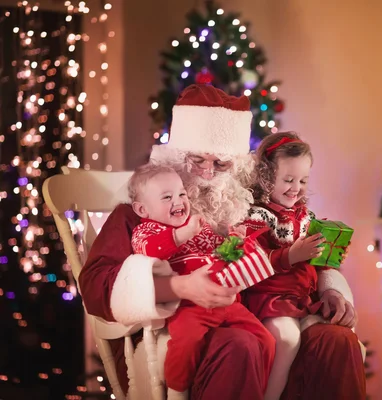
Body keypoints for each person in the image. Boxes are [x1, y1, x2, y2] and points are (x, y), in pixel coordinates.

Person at [78, 83, 366, 399]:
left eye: (221, 164)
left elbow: (292, 247)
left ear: (236, 166)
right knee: (240, 344)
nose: (206, 173)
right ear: (174, 157)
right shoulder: (138, 212)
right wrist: (175, 288)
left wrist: (330, 289)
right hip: (182, 327)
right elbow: (94, 286)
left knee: (336, 341)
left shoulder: (249, 204)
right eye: (197, 160)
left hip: (262, 310)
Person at [127, 164, 274, 399]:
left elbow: (218, 250)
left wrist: (233, 242)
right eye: (167, 197)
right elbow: (149, 251)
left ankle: (262, 388)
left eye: (182, 194)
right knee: (186, 341)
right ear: (142, 209)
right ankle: (177, 390)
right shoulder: (146, 231)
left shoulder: (199, 225)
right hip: (189, 305)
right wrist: (182, 234)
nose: (179, 201)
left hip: (225, 301)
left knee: (265, 339)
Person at [240, 132, 358, 400]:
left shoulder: (304, 217)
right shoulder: (258, 216)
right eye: (289, 180)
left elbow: (318, 262)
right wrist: (291, 255)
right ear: (267, 178)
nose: (296, 188)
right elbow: (252, 259)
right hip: (269, 298)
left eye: (303, 180)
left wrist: (330, 250)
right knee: (287, 339)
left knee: (330, 335)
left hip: (302, 298)